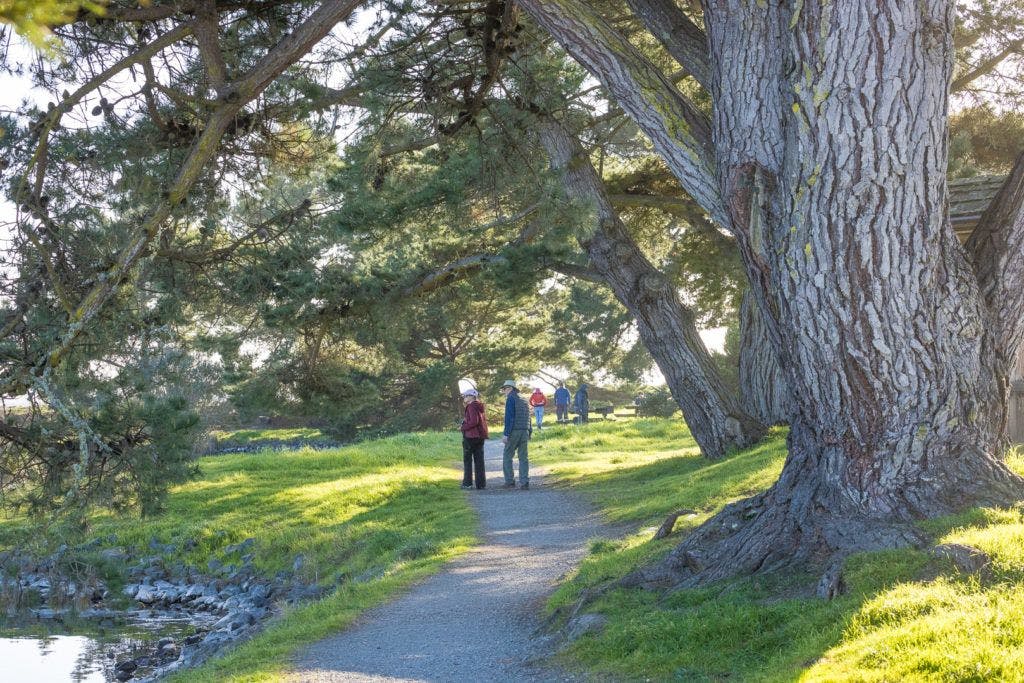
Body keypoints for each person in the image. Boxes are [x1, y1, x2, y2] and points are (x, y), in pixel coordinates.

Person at [499, 379, 530, 489]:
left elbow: (509, 417)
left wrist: (506, 434)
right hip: (524, 430)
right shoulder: (524, 399)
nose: (504, 391)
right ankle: (524, 482)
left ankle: (510, 481)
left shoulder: (510, 398)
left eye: (505, 389)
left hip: (514, 431)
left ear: (510, 388)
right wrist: (529, 431)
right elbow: (528, 417)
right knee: (523, 457)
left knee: (507, 455)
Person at [459, 389, 487, 490]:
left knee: (467, 461)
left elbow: (474, 422)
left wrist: (462, 427)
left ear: (472, 397)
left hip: (471, 436)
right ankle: (481, 484)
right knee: (479, 461)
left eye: (466, 396)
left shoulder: (471, 406)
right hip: (480, 436)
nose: (465, 397)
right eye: (465, 396)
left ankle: (467, 484)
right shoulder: (479, 406)